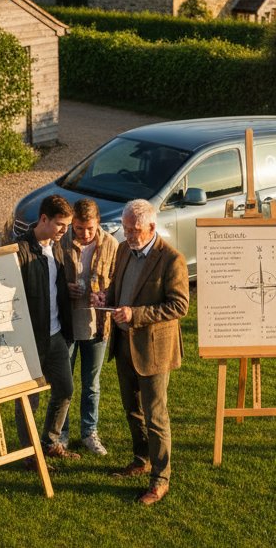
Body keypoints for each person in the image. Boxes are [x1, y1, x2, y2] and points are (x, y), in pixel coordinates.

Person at [100, 198, 189, 505]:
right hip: (123, 344)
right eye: (125, 227)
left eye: (134, 229)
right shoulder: (124, 249)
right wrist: (107, 297)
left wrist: (135, 314)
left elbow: (179, 305)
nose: (128, 234)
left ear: (152, 227)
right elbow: (120, 285)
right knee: (131, 409)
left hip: (153, 350)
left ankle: (160, 479)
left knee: (155, 416)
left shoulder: (171, 260)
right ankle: (141, 459)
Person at [14, 194, 76, 463]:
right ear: (43, 219)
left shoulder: (57, 245)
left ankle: (50, 441)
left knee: (65, 390)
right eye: (60, 224)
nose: (65, 230)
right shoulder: (20, 251)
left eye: (67, 225)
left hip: (56, 334)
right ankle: (29, 454)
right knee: (30, 399)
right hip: (31, 339)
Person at [61, 198, 118, 455]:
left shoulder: (112, 246)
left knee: (91, 384)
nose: (84, 234)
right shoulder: (60, 243)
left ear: (98, 224)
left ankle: (89, 433)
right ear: (73, 223)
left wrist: (106, 295)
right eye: (79, 228)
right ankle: (60, 434)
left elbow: (118, 282)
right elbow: (49, 279)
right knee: (64, 383)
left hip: (97, 325)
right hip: (67, 324)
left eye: (89, 229)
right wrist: (65, 289)